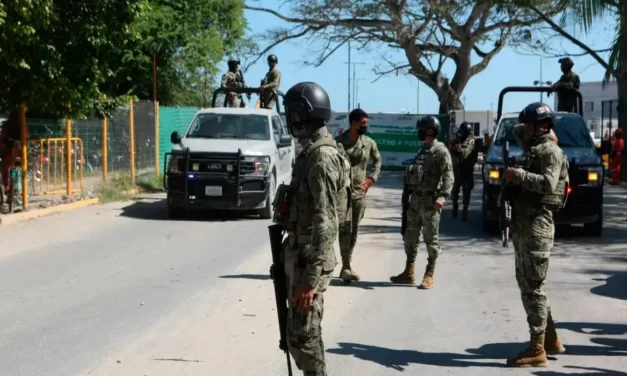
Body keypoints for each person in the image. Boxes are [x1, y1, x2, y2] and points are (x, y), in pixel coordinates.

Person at [281, 81, 351, 375]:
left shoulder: (321, 158)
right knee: (299, 335)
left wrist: (309, 279)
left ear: (305, 115)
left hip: (311, 257)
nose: (291, 120)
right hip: (301, 253)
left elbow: (327, 221)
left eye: (294, 113)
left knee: (304, 337)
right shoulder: (311, 152)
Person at [504, 102, 569, 367]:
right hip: (525, 224)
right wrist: (534, 125)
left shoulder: (550, 151)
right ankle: (550, 339)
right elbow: (519, 130)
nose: (524, 130)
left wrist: (517, 175)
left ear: (538, 127)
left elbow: (547, 184)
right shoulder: (535, 147)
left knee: (533, 287)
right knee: (529, 283)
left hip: (537, 225)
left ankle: (537, 348)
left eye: (529, 125)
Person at [390, 116, 453, 289]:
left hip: (430, 203)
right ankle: (409, 273)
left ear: (428, 130)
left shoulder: (440, 151)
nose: (419, 132)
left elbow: (449, 176)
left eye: (422, 129)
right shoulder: (423, 151)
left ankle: (429, 274)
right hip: (415, 201)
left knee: (431, 239)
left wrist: (442, 197)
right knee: (410, 237)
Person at [335, 108, 381, 282]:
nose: (365, 126)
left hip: (359, 193)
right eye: (362, 123)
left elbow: (377, 161)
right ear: (353, 123)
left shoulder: (368, 143)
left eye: (366, 123)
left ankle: (348, 264)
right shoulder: (338, 142)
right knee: (344, 228)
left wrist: (371, 179)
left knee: (354, 230)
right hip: (342, 193)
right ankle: (345, 265)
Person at [449, 122, 478, 221]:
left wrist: (472, 164)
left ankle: (464, 211)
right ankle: (455, 206)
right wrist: (454, 148)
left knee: (467, 193)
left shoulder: (472, 142)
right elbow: (448, 148)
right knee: (454, 192)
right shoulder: (456, 140)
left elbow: (475, 154)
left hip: (467, 171)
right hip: (457, 170)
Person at [0, 109, 21, 192]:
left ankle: (10, 187)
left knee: (11, 167)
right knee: (12, 167)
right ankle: (8, 187)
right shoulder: (11, 125)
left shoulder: (18, 125)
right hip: (11, 150)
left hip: (12, 150)